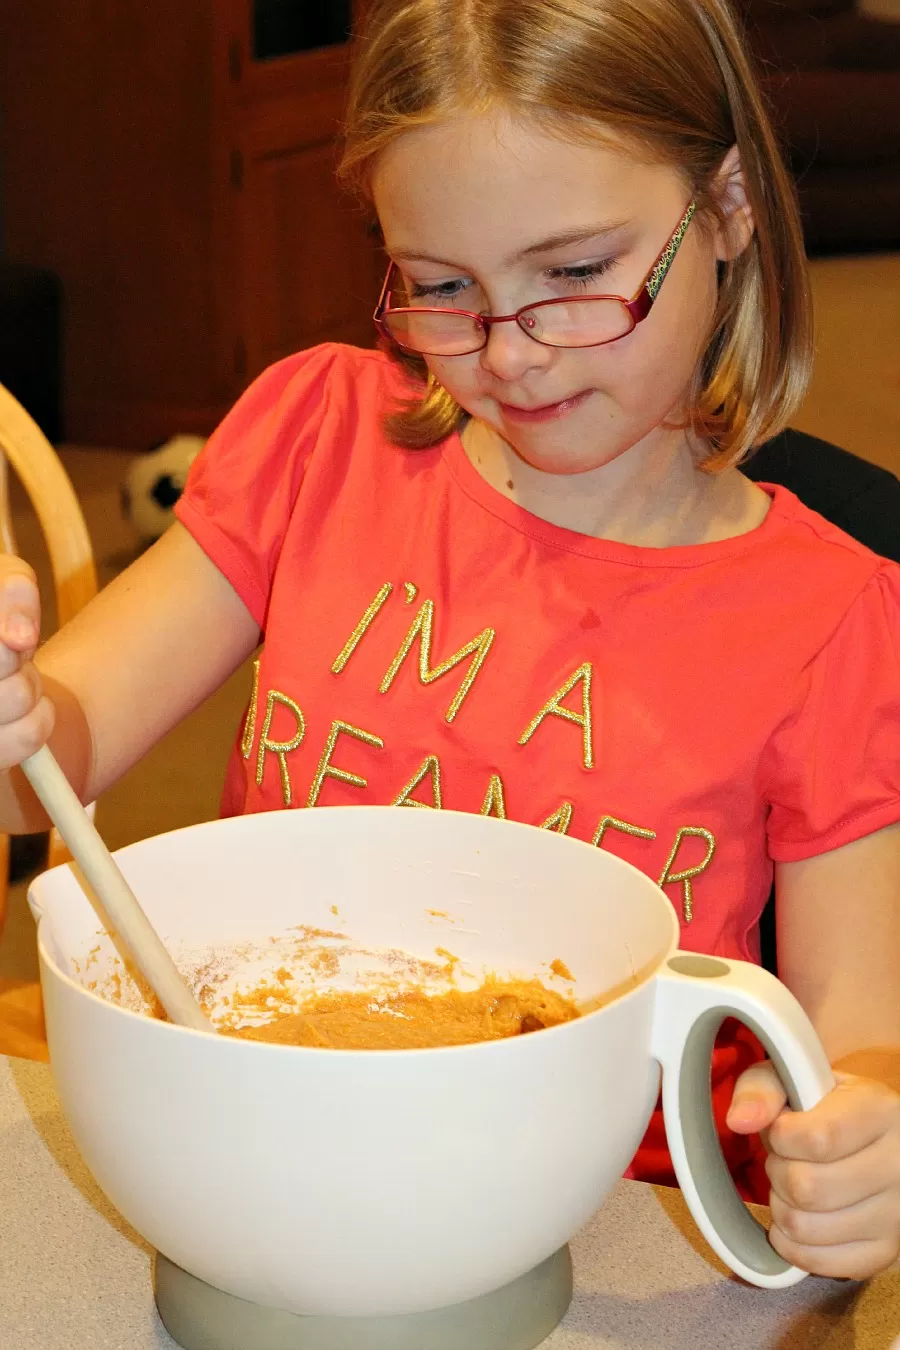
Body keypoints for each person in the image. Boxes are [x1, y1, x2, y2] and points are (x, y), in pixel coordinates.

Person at [1, 0, 898, 1280]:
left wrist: (864, 1143)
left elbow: (858, 1041)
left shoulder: (834, 621)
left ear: (734, 205)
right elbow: (53, 759)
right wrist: (17, 710)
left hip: (618, 1235)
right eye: (441, 290)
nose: (511, 352)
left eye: (577, 274)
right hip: (261, 1164)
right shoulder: (316, 443)